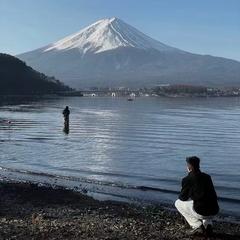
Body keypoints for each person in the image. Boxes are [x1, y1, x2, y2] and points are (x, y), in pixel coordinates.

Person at [175, 156, 219, 236]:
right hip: (214, 209)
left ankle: (197, 226)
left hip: (201, 211)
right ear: (198, 165)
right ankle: (208, 225)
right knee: (205, 201)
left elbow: (182, 198)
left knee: (178, 203)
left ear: (189, 166)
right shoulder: (207, 177)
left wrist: (186, 190)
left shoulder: (187, 179)